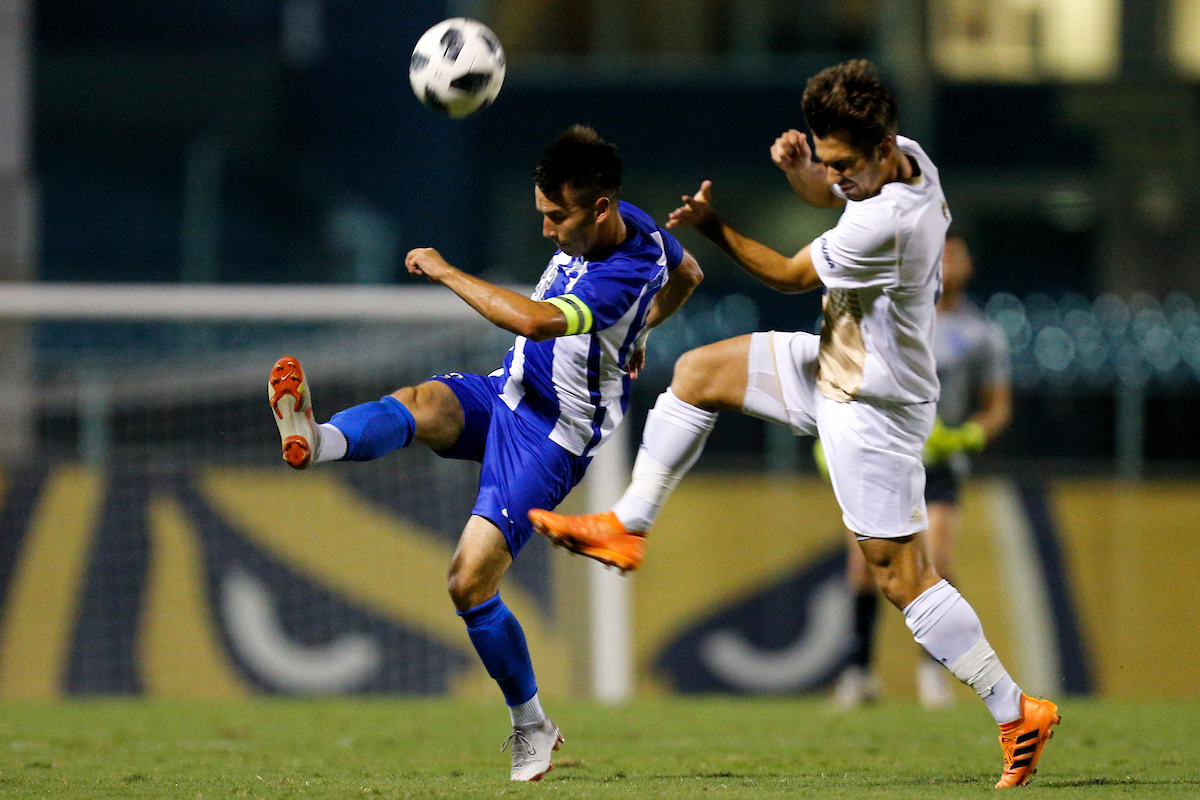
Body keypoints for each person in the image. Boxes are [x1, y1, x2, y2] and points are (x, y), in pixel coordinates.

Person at [529, 62, 1057, 788]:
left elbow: (785, 274)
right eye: (828, 157)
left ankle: (1014, 709)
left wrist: (713, 228)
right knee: (697, 375)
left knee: (901, 577)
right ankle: (627, 524)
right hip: (835, 365)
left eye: (843, 163)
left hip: (874, 405)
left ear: (880, 145)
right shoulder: (910, 167)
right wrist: (806, 173)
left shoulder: (890, 222)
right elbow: (836, 196)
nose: (836, 175)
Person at [268, 125, 703, 782]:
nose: (547, 230)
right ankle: (316, 441)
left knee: (467, 581)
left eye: (558, 217)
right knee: (420, 402)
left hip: (555, 432)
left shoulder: (623, 271)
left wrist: (444, 270)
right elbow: (690, 272)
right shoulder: (630, 221)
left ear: (601, 209)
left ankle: (532, 724)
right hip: (510, 389)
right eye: (542, 212)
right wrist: (641, 332)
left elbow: (532, 320)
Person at [829, 233, 1014, 710]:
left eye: (958, 251)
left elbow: (997, 408)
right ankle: (859, 672)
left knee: (936, 560)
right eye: (942, 251)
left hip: (939, 463)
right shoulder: (891, 317)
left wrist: (967, 435)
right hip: (882, 456)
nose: (949, 260)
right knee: (863, 565)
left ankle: (933, 672)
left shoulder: (980, 333)